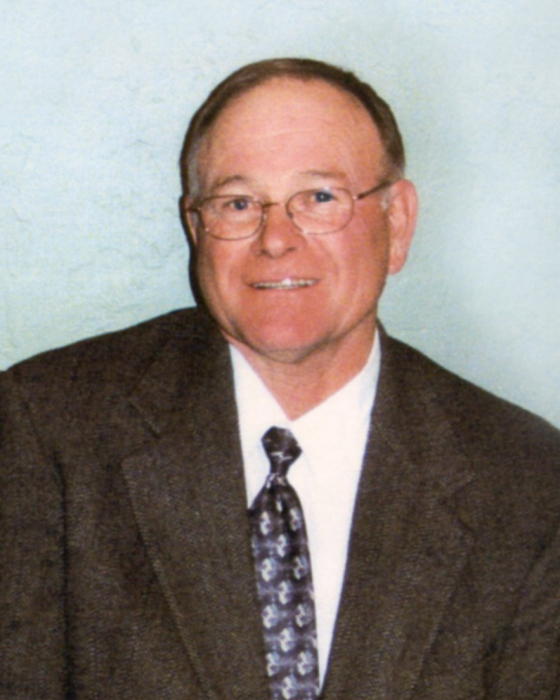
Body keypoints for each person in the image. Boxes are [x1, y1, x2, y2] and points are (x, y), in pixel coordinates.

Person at [1, 57, 559, 700]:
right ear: (196, 228)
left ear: (398, 222)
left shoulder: (527, 483)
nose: (275, 240)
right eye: (238, 203)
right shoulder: (48, 432)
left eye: (320, 198)